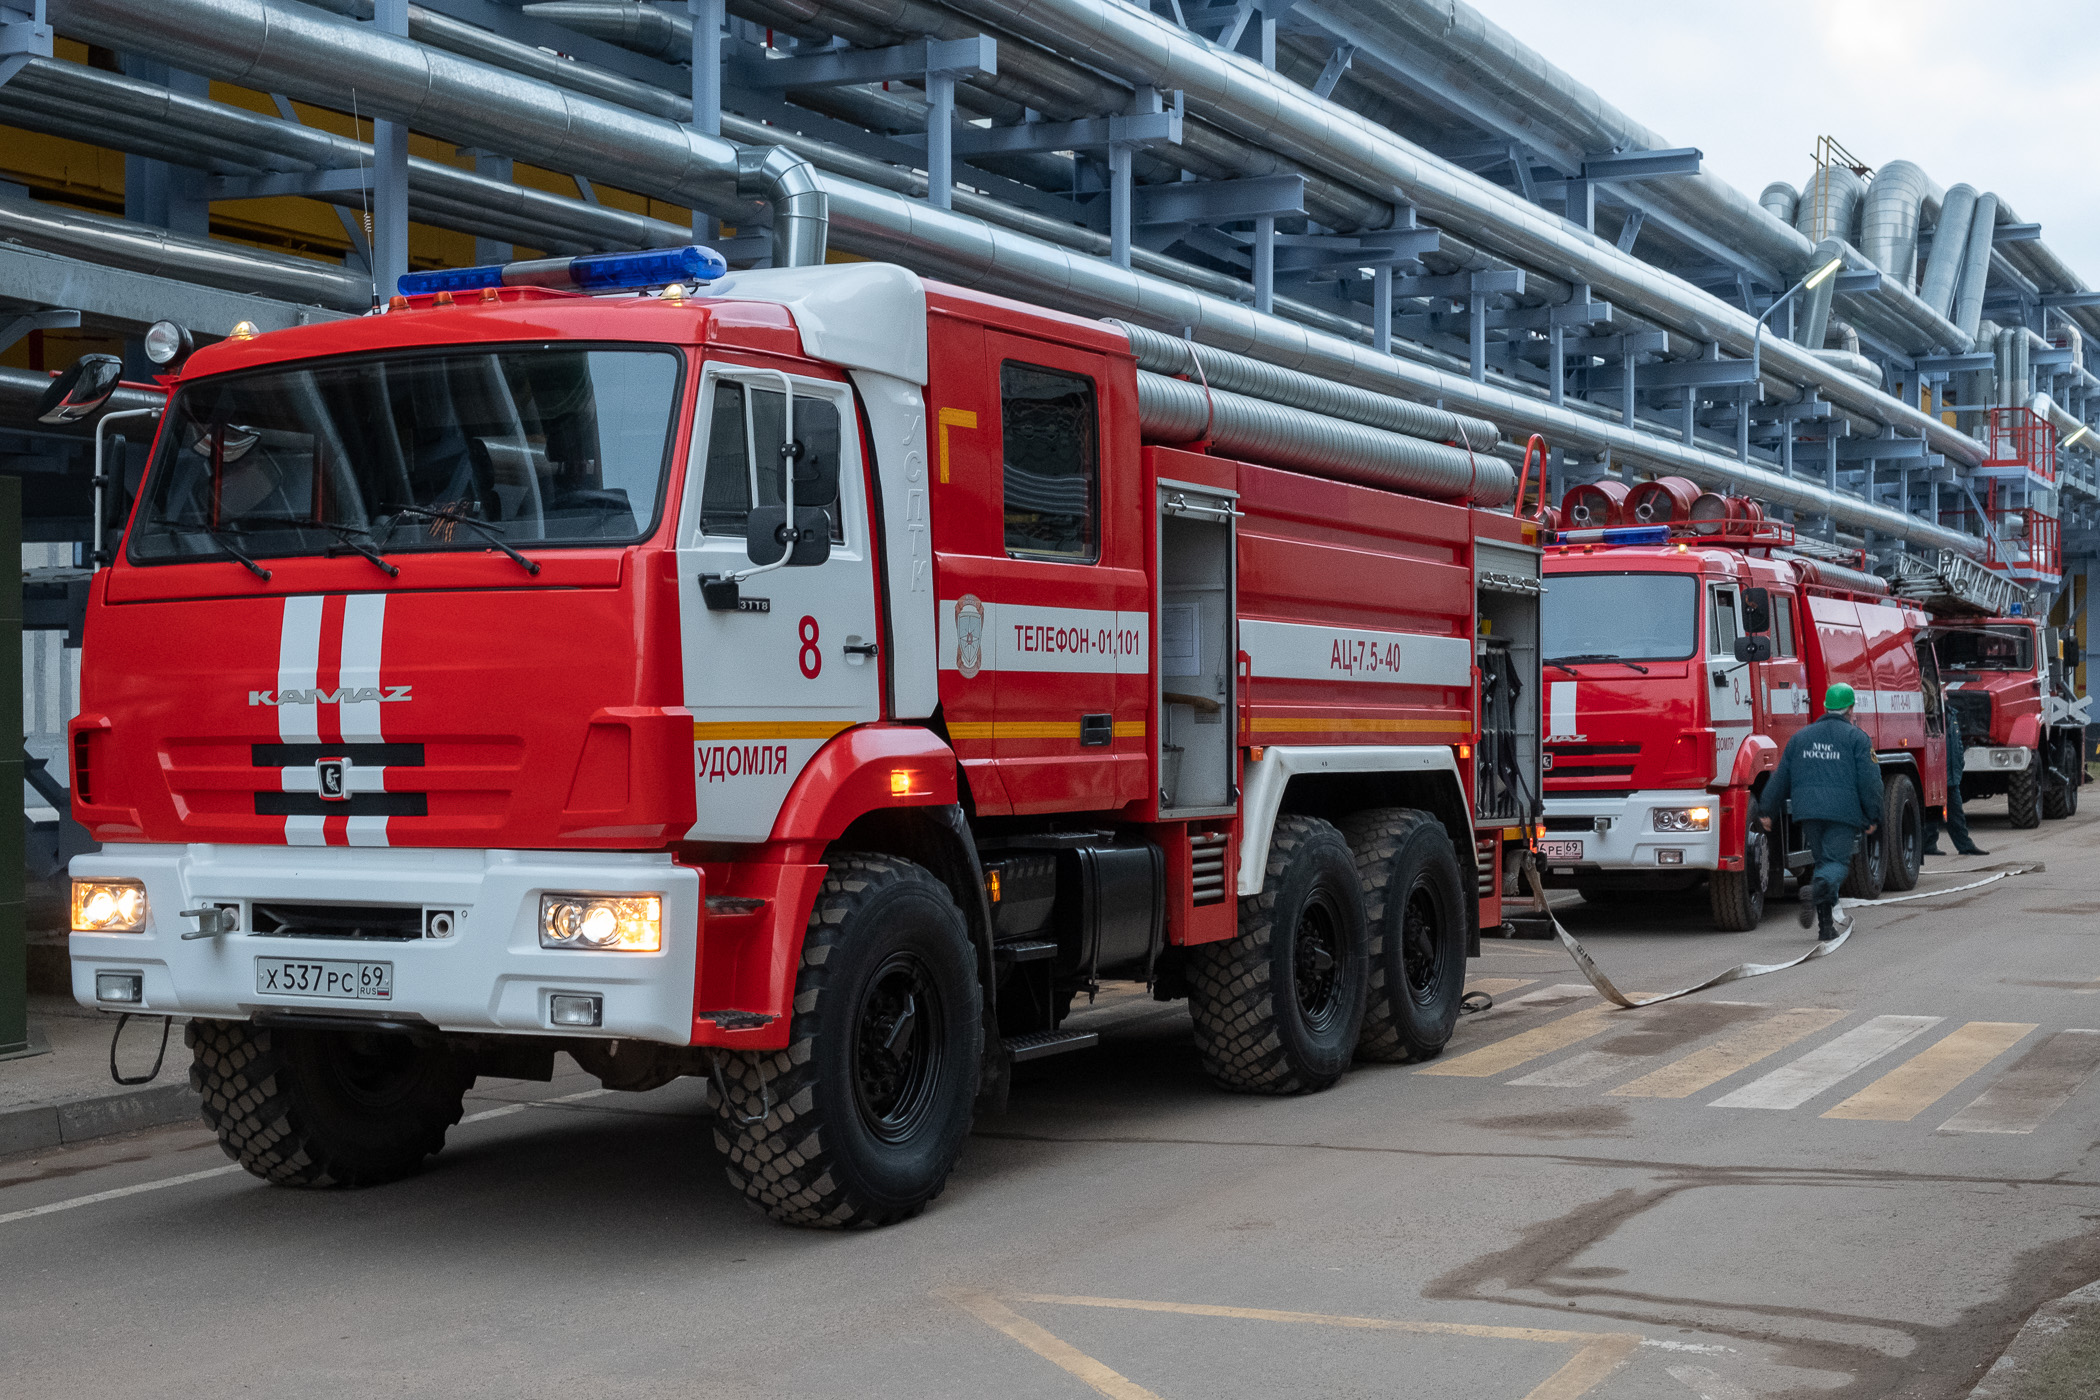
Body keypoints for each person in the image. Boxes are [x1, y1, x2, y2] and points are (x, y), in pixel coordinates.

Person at [1758, 684, 1884, 941]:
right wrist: (1873, 816)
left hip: (1808, 813)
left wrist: (1766, 810)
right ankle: (1814, 891)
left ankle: (1825, 927)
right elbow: (1871, 782)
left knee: (1822, 864)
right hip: (1843, 814)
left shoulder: (1800, 737)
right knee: (1835, 864)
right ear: (1850, 709)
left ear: (1826, 707)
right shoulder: (1857, 738)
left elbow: (1781, 777)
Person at [1921, 704, 1988, 858]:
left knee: (1956, 814)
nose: (1944, 691)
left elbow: (1957, 742)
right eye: (1942, 688)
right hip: (1936, 773)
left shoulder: (1951, 714)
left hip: (1950, 773)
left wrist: (1959, 763)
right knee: (1933, 811)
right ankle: (1928, 845)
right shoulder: (1931, 714)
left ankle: (1965, 846)